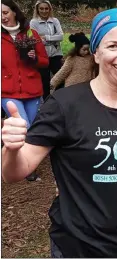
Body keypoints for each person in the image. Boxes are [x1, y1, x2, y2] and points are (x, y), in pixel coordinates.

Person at [2, 8, 117, 257]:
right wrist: (11, 147)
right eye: (113, 45)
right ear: (95, 52)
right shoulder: (64, 104)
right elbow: (13, 173)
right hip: (79, 245)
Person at [1, 0, 49, 181]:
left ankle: (16, 158)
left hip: (32, 90)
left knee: (33, 127)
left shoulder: (31, 34)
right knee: (24, 127)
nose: (2, 17)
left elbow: (45, 61)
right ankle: (26, 169)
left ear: (14, 12)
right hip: (7, 92)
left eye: (5, 12)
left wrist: (34, 58)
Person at [30, 0, 64, 100]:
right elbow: (34, 40)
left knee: (60, 79)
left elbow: (61, 36)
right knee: (45, 81)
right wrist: (53, 38)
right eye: (41, 8)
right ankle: (47, 102)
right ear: (37, 10)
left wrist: (46, 38)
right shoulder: (34, 22)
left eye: (46, 8)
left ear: (49, 9)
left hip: (56, 54)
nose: (44, 11)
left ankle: (60, 99)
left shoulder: (55, 21)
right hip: (42, 55)